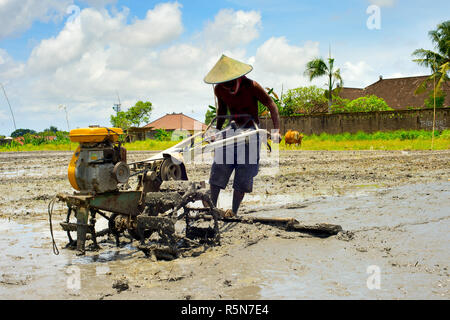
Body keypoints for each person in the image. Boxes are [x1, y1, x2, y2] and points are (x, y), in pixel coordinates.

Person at [203, 54, 281, 216]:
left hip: (251, 129)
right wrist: (216, 132)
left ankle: (234, 211)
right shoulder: (219, 89)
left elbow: (271, 104)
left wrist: (276, 131)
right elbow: (222, 111)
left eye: (230, 84)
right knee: (219, 167)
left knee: (244, 172)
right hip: (232, 129)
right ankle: (211, 208)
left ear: (236, 77)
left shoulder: (251, 86)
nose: (228, 88)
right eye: (224, 84)